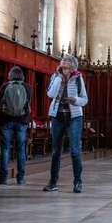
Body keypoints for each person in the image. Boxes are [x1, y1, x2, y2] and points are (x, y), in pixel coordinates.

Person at [43, 55, 88, 193]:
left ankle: (78, 182)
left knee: (75, 151)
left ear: (73, 67)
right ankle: (52, 182)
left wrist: (75, 100)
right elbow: (50, 94)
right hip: (57, 115)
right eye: (63, 67)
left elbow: (85, 99)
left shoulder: (78, 78)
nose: (65, 69)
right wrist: (59, 80)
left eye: (67, 67)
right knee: (56, 151)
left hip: (74, 116)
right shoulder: (55, 77)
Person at [0, 66, 31, 185]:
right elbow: (27, 104)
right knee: (21, 149)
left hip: (6, 120)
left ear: (10, 75)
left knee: (5, 148)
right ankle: (21, 178)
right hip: (22, 121)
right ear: (22, 76)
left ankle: (3, 178)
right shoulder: (27, 87)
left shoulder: (5, 86)